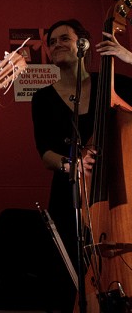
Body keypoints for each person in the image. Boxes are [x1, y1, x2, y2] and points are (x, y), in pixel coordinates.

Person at [31, 18, 132, 311]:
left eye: (64, 38)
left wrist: (127, 57)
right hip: (69, 196)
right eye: (51, 42)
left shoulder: (114, 83)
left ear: (84, 45)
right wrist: (71, 166)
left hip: (118, 195)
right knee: (67, 281)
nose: (56, 45)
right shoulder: (42, 98)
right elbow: (44, 151)